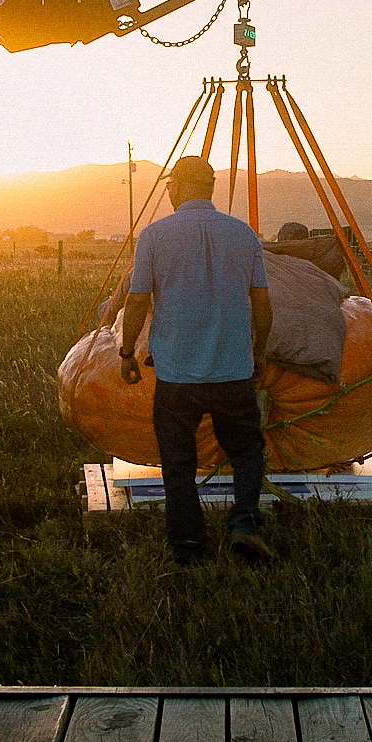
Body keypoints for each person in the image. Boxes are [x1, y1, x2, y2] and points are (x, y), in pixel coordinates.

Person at [120, 155, 275, 565]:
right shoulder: (243, 235)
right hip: (233, 369)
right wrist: (258, 352)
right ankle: (244, 523)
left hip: (176, 373)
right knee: (245, 450)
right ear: (209, 186)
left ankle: (188, 548)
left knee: (178, 461)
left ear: (177, 187)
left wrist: (126, 352)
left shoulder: (154, 236)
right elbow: (261, 303)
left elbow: (137, 301)